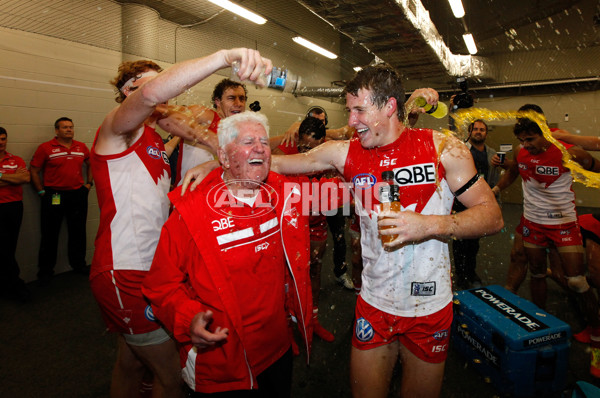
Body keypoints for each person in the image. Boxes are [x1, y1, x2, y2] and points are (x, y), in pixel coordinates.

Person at [267, 64, 503, 398]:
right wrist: (217, 156)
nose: (351, 121)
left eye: (359, 110)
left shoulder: (444, 148)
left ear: (390, 106)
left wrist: (430, 225)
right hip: (374, 304)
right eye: (350, 111)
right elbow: (272, 163)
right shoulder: (345, 151)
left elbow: (492, 217)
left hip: (430, 307)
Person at [90, 48, 269, 397]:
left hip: (150, 266)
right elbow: (154, 96)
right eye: (147, 85)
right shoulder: (116, 127)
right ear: (127, 94)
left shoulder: (154, 137)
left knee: (130, 364)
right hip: (126, 267)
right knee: (172, 374)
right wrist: (224, 57)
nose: (161, 90)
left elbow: (178, 122)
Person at [142, 111, 312, 396]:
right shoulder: (191, 212)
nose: (260, 147)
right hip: (223, 362)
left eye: (264, 142)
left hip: (278, 349)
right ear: (223, 155)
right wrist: (188, 319)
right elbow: (160, 286)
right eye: (248, 141)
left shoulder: (284, 195)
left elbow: (343, 189)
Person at [493, 109, 600, 376]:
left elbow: (594, 165)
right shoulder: (521, 152)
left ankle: (597, 338)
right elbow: (515, 172)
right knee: (538, 274)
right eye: (522, 140)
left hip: (563, 224)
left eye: (530, 139)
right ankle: (541, 328)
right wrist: (495, 189)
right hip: (532, 224)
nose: (526, 145)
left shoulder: (568, 152)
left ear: (544, 135)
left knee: (577, 281)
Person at [30, 117, 92, 281]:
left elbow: (91, 163)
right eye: (65, 127)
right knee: (50, 233)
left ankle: (78, 264)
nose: (69, 130)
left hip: (77, 194)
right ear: (57, 131)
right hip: (55, 195)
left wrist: (88, 184)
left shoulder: (81, 147)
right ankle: (45, 272)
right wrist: (42, 192)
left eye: (71, 127)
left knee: (78, 231)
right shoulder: (45, 148)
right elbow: (34, 171)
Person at [452, 119, 507, 289]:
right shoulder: (461, 150)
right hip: (460, 202)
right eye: (475, 129)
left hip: (480, 202)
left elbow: (503, 173)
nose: (478, 132)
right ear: (469, 132)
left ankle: (471, 272)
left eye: (482, 129)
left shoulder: (492, 154)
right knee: (459, 240)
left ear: (486, 133)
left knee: (474, 241)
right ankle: (461, 275)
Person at [0, 127, 31, 302]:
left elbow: (25, 179)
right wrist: (12, 177)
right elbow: (17, 179)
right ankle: (14, 283)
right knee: (3, 247)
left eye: (3, 139)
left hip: (13, 207)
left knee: (9, 246)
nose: (0, 142)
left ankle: (9, 283)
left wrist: (0, 175)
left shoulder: (16, 159)